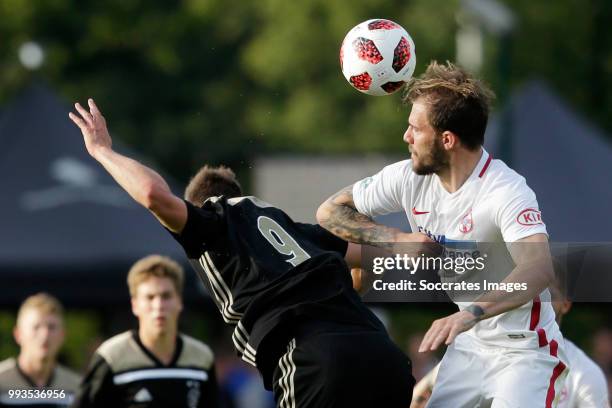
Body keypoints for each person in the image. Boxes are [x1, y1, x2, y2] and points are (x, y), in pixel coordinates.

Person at [68, 99, 414, 407]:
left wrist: (103, 151)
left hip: (317, 362)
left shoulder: (215, 224)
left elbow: (152, 195)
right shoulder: (296, 230)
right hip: (383, 356)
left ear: (198, 204)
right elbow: (369, 259)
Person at [317, 61, 567, 407]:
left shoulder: (505, 190)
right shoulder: (406, 177)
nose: (406, 137)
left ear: (447, 140)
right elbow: (330, 211)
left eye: (415, 130)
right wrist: (394, 240)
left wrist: (470, 312)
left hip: (523, 350)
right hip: (467, 347)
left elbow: (539, 268)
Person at [410, 278, 611, 408]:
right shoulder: (483, 348)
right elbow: (420, 395)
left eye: (549, 294)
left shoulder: (584, 372)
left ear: (566, 304)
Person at [72, 255, 221, 407]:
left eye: (166, 296)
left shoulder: (202, 358)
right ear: (135, 305)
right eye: (150, 297)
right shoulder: (112, 357)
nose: (159, 306)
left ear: (179, 302)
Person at [0, 293, 80, 408]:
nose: (45, 335)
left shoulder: (76, 387)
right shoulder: (2, 382)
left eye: (51, 327)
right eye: (36, 327)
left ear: (63, 335)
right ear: (18, 335)